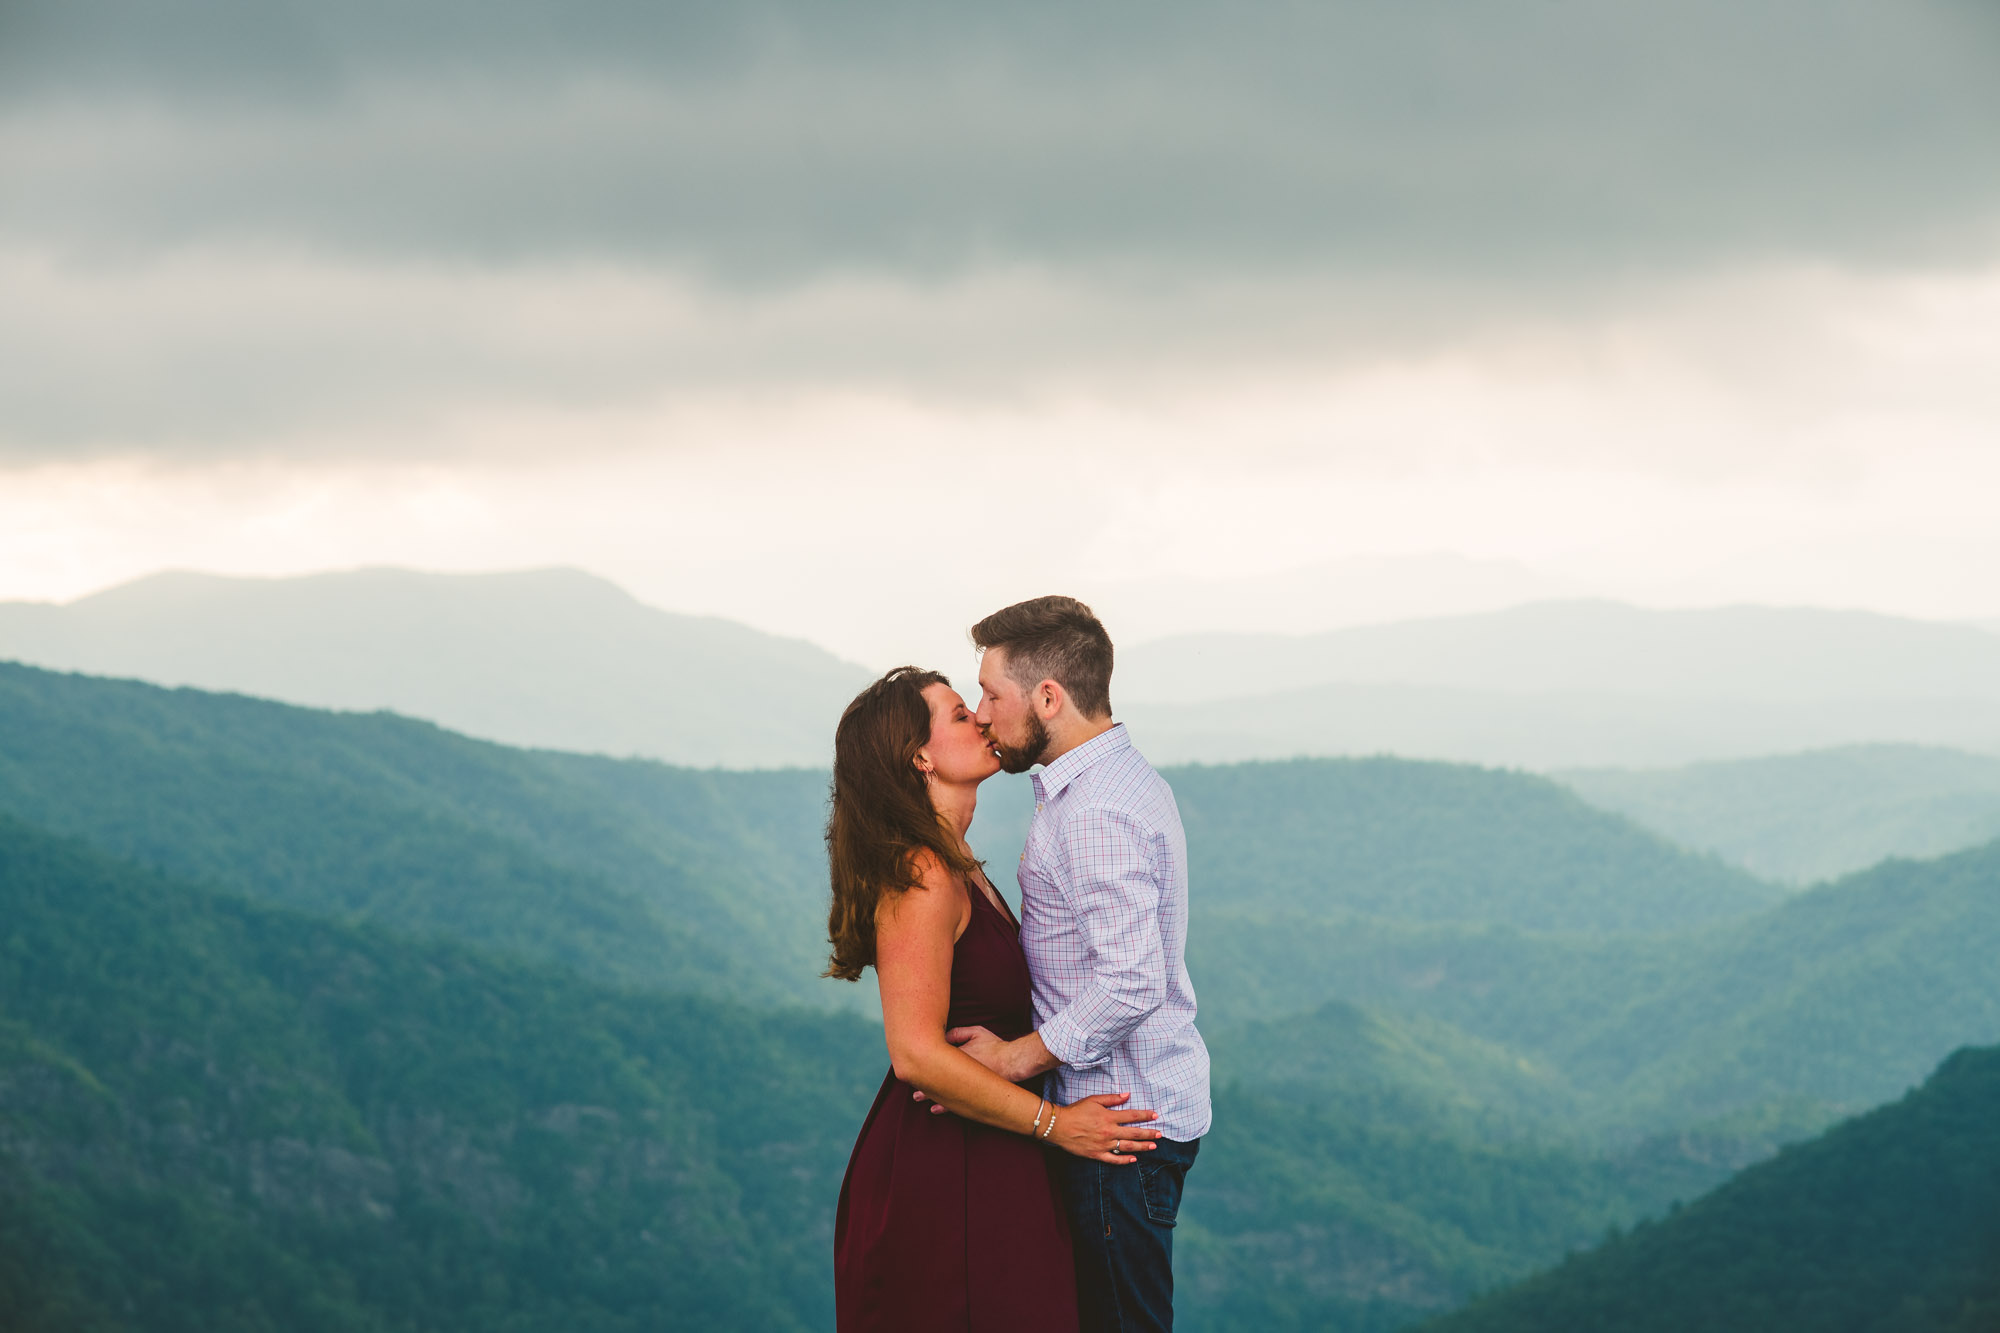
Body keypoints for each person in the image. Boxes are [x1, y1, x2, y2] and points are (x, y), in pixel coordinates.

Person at [827, 666, 1167, 1332]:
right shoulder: (922, 875)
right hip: (944, 1166)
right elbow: (915, 1054)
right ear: (918, 755)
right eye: (959, 714)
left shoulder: (958, 862)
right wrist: (1058, 1124)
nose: (981, 719)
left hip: (992, 1150)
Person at [927, 596, 1212, 1332]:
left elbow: (1131, 979)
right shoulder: (1111, 782)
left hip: (1114, 1124)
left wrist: (1016, 1059)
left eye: (992, 694)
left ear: (1048, 697)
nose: (983, 714)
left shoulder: (1092, 811)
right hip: (1121, 1115)